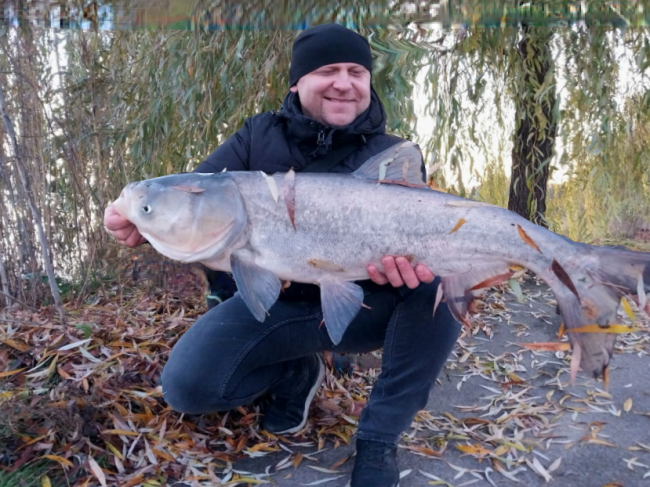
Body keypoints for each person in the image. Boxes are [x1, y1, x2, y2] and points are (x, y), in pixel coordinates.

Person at [104, 23, 461, 487]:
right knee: (187, 387)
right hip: (280, 304)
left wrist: (409, 270)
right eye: (328, 70)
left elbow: (422, 244)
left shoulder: (394, 154)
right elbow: (193, 192)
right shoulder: (257, 136)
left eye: (356, 71)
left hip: (366, 305)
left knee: (441, 285)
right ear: (298, 81)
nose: (344, 82)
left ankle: (378, 438)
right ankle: (295, 375)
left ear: (368, 82)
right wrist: (130, 211)